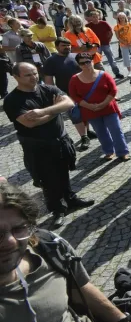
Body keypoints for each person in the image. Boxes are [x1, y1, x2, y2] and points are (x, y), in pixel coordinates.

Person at [0, 183, 126, 321]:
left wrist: (121, 319)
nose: (11, 241)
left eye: (18, 229)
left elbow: (81, 289)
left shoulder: (49, 247)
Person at [3, 62, 94, 227]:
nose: (34, 77)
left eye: (35, 73)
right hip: (38, 148)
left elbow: (69, 103)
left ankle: (70, 199)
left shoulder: (47, 88)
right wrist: (55, 110)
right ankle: (57, 209)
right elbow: (30, 124)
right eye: (28, 75)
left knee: (64, 172)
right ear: (15, 77)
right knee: (48, 181)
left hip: (60, 141)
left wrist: (43, 112)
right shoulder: (12, 100)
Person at [69, 52, 130, 161]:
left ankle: (122, 152)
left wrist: (103, 104)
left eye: (87, 62)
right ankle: (108, 151)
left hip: (108, 108)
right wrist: (89, 106)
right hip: (90, 111)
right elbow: (74, 96)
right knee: (101, 132)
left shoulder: (104, 75)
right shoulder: (74, 79)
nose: (85, 65)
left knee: (116, 130)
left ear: (92, 61)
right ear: (79, 65)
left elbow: (113, 90)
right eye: (82, 63)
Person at [42, 37, 95, 150]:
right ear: (56, 47)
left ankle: (88, 131)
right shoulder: (51, 61)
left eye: (68, 45)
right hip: (66, 93)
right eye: (63, 45)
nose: (67, 47)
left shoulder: (76, 56)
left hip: (83, 89)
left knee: (85, 111)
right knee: (75, 114)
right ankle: (84, 137)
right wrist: (55, 94)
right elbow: (48, 81)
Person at [85, 10, 123, 79]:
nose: (95, 18)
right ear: (91, 18)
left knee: (111, 59)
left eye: (96, 16)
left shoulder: (104, 23)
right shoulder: (88, 26)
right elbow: (85, 35)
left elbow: (110, 32)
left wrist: (108, 40)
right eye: (93, 17)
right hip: (95, 46)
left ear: (99, 16)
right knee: (97, 62)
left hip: (105, 44)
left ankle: (117, 73)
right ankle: (101, 76)